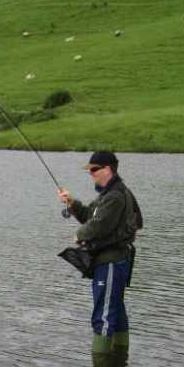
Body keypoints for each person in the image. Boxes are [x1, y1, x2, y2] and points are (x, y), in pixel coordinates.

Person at [57, 151, 142, 353]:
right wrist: (72, 203)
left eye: (94, 169)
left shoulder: (115, 196)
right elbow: (89, 215)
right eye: (90, 170)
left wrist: (79, 235)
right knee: (116, 311)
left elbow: (97, 226)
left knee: (103, 315)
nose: (91, 174)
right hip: (113, 261)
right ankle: (120, 359)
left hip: (111, 263)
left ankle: (101, 366)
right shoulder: (108, 194)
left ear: (108, 169)